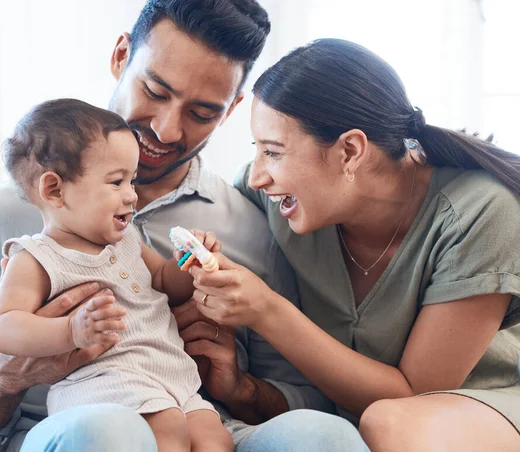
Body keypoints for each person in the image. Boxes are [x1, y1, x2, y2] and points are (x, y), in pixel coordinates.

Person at [0, 2, 367, 451]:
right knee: (108, 435)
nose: (167, 129)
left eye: (201, 113)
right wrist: (6, 375)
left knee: (326, 437)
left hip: (197, 414)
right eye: (155, 90)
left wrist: (240, 387)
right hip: (78, 428)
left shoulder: (254, 227)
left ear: (230, 111)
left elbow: (309, 398)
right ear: (120, 58)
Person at [188, 38, 520, 452]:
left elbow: (413, 394)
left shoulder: (482, 212)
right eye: (256, 150)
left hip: (478, 406)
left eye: (273, 152)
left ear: (350, 151)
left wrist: (266, 310)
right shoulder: (277, 200)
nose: (257, 176)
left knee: (387, 423)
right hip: (350, 425)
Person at [0, 98, 232, 452]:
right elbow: (3, 327)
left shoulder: (126, 240)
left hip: (171, 377)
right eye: (116, 182)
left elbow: (164, 282)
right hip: (105, 384)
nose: (132, 195)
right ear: (55, 189)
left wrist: (187, 263)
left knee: (215, 439)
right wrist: (69, 330)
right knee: (166, 432)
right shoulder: (36, 257)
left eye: (131, 180)